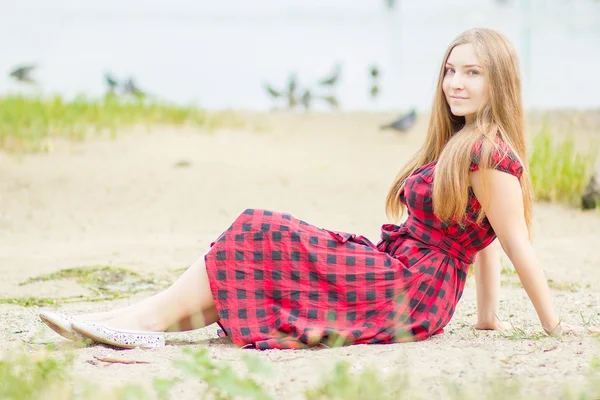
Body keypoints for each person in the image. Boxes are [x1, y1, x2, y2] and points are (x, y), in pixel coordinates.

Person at [39, 27, 599, 349]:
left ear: (498, 81)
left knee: (260, 229)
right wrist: (485, 318)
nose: (455, 82)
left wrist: (553, 326)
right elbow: (485, 242)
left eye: (472, 72)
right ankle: (133, 322)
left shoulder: (490, 154)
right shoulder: (460, 144)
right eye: (451, 70)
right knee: (256, 245)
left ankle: (136, 323)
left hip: (413, 291)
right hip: (400, 270)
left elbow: (513, 240)